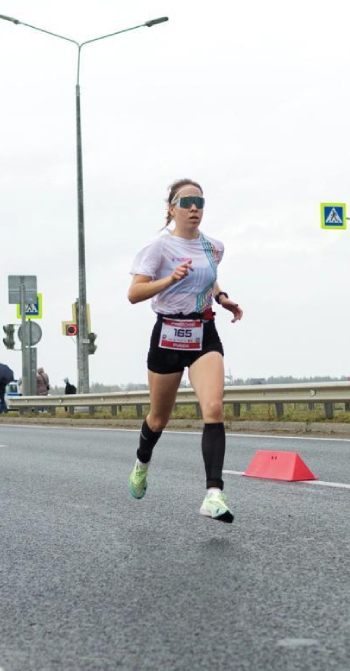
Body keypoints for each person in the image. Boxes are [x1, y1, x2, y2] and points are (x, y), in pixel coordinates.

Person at [126, 179, 243, 523]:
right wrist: (170, 280)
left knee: (214, 407)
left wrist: (222, 299)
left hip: (202, 332)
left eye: (200, 202)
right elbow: (134, 293)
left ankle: (213, 493)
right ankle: (141, 463)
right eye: (187, 201)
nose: (194, 208)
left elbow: (208, 277)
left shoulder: (214, 247)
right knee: (159, 418)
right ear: (172, 208)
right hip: (167, 334)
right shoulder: (158, 247)